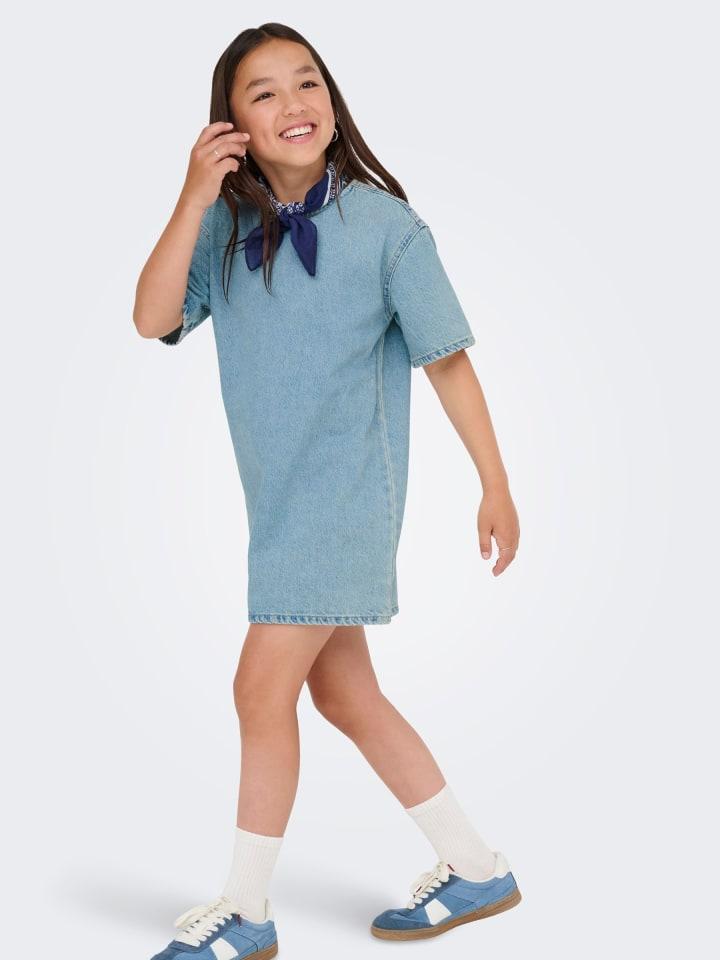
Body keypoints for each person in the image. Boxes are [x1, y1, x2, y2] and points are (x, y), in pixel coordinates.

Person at [133, 22, 522, 960]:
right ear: (231, 123)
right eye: (263, 92)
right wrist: (192, 196)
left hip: (346, 497)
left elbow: (448, 360)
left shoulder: (388, 229)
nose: (293, 103)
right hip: (279, 505)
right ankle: (476, 867)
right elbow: (151, 318)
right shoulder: (224, 227)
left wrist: (495, 483)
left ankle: (247, 912)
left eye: (307, 82)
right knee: (346, 695)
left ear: (334, 101)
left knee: (258, 688)